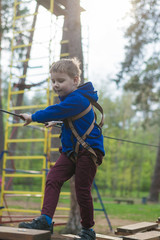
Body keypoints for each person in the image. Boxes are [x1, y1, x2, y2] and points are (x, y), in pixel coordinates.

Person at [18, 58, 105, 240]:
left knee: (82, 189)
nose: (56, 85)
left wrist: (33, 117)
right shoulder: (71, 100)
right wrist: (58, 122)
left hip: (88, 152)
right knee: (53, 179)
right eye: (53, 81)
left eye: (61, 81)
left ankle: (88, 230)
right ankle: (46, 219)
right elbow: (65, 115)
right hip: (72, 151)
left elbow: (57, 109)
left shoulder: (77, 99)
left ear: (75, 80)